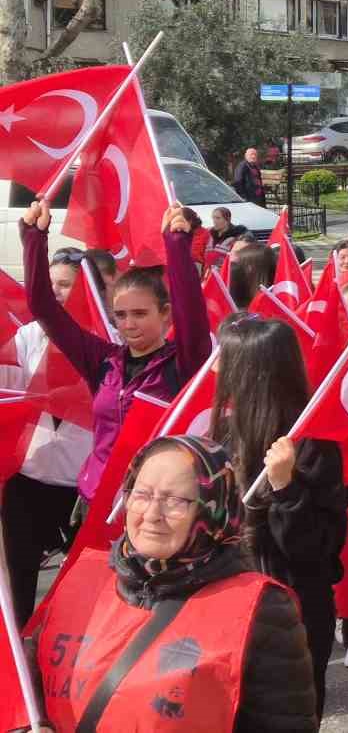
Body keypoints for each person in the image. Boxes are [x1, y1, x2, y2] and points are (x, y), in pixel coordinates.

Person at [15, 435, 317, 731]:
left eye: (175, 500)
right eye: (142, 494)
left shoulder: (259, 609)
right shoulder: (82, 582)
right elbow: (28, 688)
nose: (152, 514)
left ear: (212, 508)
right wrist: (33, 724)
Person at [19, 201, 209, 500]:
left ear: (165, 314)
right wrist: (33, 237)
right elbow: (44, 308)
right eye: (121, 315)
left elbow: (192, 312)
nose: (129, 324)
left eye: (140, 314)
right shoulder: (104, 361)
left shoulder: (184, 361)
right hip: (96, 499)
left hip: (154, 505)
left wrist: (176, 243)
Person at [212, 314, 347, 718]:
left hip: (291, 612)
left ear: (250, 370)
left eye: (224, 357)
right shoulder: (222, 433)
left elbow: (317, 549)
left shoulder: (311, 443)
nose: (214, 367)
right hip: (228, 604)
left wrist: (286, 488)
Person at [0, 249, 100, 625]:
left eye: (66, 285)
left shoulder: (101, 342)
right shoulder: (26, 337)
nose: (57, 293)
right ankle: (21, 651)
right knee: (20, 574)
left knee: (80, 581)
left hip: (82, 485)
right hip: (28, 478)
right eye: (52, 284)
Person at [228, 241, 277, 309]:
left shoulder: (277, 301)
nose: (234, 269)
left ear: (250, 268)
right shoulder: (232, 296)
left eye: (239, 265)